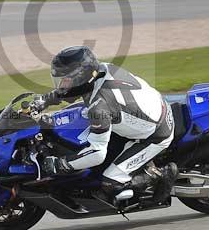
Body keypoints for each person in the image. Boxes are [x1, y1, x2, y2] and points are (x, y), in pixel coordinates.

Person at [34, 46, 178, 205]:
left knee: (112, 182)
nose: (62, 84)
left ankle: (159, 174)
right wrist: (45, 100)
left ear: (81, 78)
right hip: (152, 107)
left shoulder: (99, 106)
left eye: (65, 80)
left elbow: (97, 154)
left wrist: (61, 164)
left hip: (156, 134)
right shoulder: (101, 69)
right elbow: (71, 90)